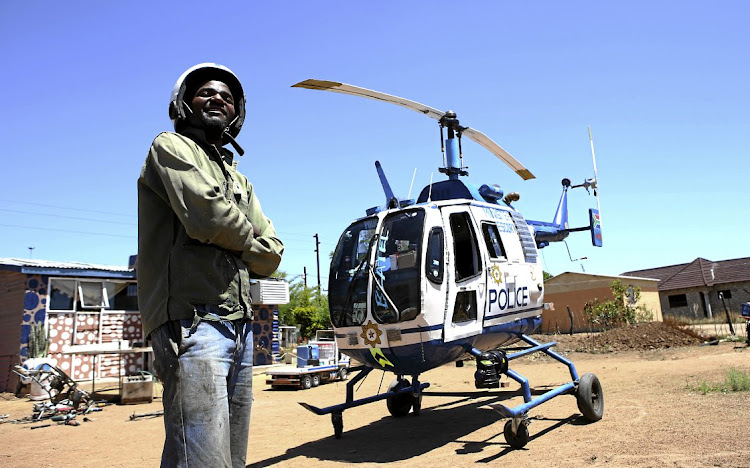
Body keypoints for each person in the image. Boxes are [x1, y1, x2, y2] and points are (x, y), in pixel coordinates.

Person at [137, 63, 284, 468]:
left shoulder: (239, 181)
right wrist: (244, 241)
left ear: (237, 113)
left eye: (228, 96)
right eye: (206, 93)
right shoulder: (170, 147)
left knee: (229, 458)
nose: (219, 98)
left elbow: (272, 254)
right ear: (183, 103)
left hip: (239, 329)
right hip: (192, 324)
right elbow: (207, 217)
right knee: (201, 457)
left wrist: (237, 241)